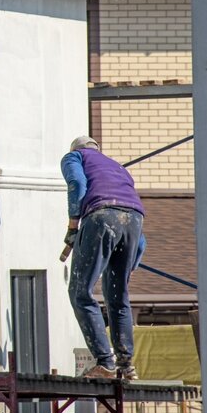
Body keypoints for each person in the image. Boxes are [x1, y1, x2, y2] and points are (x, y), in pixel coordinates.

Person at [61, 135, 145, 380]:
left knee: (80, 291)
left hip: (101, 216)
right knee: (118, 296)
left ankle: (104, 362)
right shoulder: (118, 168)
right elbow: (138, 232)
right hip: (133, 222)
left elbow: (76, 182)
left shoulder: (74, 156)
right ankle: (125, 366)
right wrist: (131, 262)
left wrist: (73, 225)